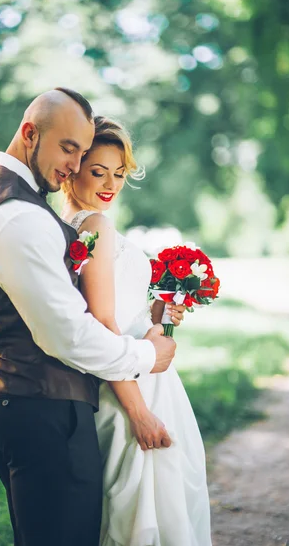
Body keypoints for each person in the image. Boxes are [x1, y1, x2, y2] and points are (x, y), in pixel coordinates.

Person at [0, 88, 181, 546]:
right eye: (69, 149)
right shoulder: (17, 215)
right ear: (30, 133)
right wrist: (146, 355)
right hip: (44, 407)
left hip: (27, 398)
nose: (75, 166)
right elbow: (70, 334)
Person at [61, 115, 212, 546]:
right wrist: (139, 412)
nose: (110, 183)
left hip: (135, 370)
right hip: (132, 387)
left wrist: (158, 314)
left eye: (119, 173)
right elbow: (102, 322)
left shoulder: (74, 227)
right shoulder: (96, 227)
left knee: (147, 504)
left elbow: (110, 310)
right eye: (98, 171)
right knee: (149, 508)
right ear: (74, 169)